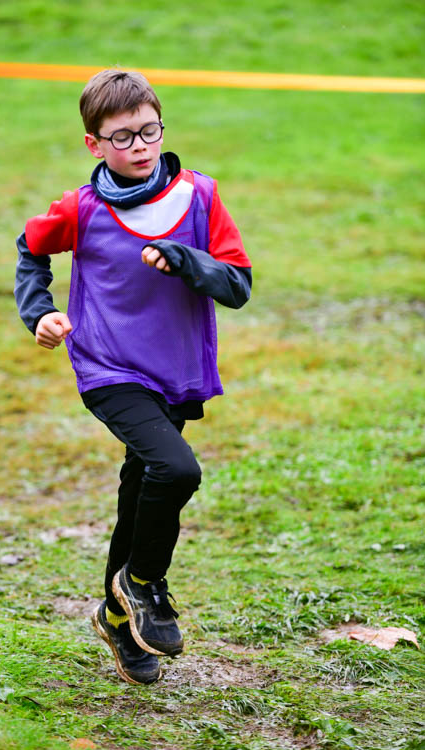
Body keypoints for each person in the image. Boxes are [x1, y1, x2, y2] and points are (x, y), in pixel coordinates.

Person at [14, 69, 252, 685]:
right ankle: (143, 584)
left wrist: (186, 259)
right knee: (177, 469)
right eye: (122, 137)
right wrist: (40, 313)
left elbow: (237, 285)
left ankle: (117, 618)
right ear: (94, 144)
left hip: (176, 370)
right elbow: (30, 249)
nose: (140, 146)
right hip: (108, 367)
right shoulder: (80, 208)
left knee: (141, 484)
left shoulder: (200, 197)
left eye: (149, 130)